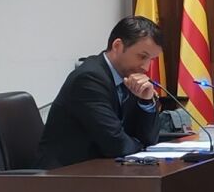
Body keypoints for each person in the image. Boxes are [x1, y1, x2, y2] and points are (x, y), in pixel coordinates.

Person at [36, 16, 164, 169]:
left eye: (151, 60)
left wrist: (146, 101)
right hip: (64, 174)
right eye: (142, 56)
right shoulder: (89, 79)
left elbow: (149, 140)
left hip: (102, 170)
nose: (146, 67)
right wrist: (140, 146)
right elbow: (116, 144)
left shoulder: (128, 78)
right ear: (117, 46)